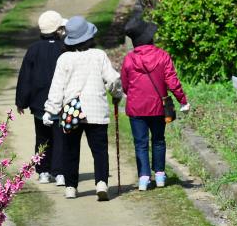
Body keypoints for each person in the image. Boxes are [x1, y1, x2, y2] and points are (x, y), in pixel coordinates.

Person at [43, 16, 124, 201]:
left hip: (72, 110)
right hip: (96, 108)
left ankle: (71, 187)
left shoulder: (64, 58)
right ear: (89, 37)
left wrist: (50, 110)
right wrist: (117, 94)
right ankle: (101, 183)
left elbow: (57, 87)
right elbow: (113, 79)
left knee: (70, 149)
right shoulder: (99, 55)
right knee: (100, 149)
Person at [121, 16, 189, 191]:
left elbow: (125, 85)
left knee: (140, 143)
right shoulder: (162, 56)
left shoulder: (129, 59)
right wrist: (182, 100)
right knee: (158, 140)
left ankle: (144, 178)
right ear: (150, 38)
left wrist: (134, 96)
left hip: (136, 107)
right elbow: (172, 81)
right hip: (158, 106)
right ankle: (159, 174)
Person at [15, 10, 67, 185]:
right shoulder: (64, 48)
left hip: (39, 103)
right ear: (58, 30)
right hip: (60, 102)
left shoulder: (33, 49)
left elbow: (25, 77)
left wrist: (21, 101)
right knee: (60, 137)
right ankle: (59, 172)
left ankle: (43, 170)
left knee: (42, 137)